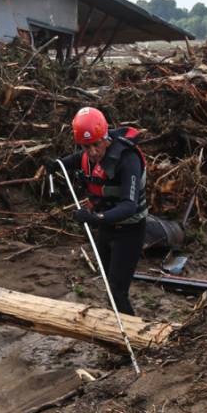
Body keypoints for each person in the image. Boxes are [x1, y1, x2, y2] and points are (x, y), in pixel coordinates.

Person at [52, 106, 149, 316]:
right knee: (108, 284)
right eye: (86, 146)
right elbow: (78, 159)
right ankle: (116, 325)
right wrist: (57, 165)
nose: (93, 152)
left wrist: (95, 218)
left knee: (117, 291)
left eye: (96, 144)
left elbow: (129, 206)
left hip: (129, 230)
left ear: (105, 137)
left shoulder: (128, 159)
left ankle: (132, 332)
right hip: (106, 228)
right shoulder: (90, 154)